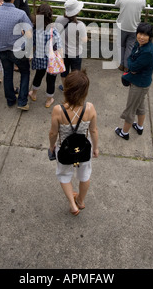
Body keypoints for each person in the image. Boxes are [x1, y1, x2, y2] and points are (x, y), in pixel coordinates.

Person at [49, 70, 99, 216]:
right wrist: (95, 148)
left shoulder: (58, 110)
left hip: (65, 150)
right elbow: (94, 130)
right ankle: (81, 201)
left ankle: (72, 205)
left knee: (64, 175)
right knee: (85, 175)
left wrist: (52, 146)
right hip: (83, 149)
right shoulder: (89, 108)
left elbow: (53, 133)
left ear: (66, 89)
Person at [0, 0, 33, 110]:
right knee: (25, 72)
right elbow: (29, 33)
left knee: (7, 73)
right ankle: (22, 102)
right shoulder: (20, 14)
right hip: (17, 50)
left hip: (1, 49)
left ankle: (10, 100)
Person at [115, 22, 153, 140]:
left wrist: (132, 66)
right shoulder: (140, 45)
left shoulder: (148, 51)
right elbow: (130, 58)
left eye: (145, 35)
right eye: (140, 34)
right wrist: (132, 65)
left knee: (131, 109)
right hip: (142, 82)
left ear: (150, 36)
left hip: (139, 84)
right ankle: (139, 126)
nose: (141, 37)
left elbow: (132, 65)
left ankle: (124, 133)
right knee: (140, 106)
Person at [29, 3, 63, 108]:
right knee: (51, 80)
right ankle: (48, 101)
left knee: (38, 76)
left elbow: (33, 43)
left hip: (39, 58)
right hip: (52, 61)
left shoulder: (35, 29)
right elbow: (59, 48)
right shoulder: (54, 31)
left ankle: (34, 94)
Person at [55, 0, 87, 91]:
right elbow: (84, 40)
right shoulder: (80, 25)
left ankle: (65, 88)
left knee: (64, 71)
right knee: (75, 73)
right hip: (75, 53)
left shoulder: (58, 19)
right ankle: (74, 89)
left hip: (62, 52)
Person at [115, 0, 146, 71]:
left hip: (122, 26)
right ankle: (126, 66)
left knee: (120, 46)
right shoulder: (142, 0)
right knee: (130, 47)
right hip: (134, 28)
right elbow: (143, 7)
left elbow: (116, 4)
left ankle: (120, 64)